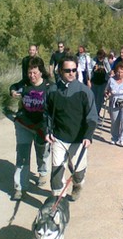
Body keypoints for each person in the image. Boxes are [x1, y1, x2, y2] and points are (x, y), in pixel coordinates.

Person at [44, 55, 98, 201]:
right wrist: (47, 131)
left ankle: (77, 185)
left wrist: (88, 135)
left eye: (74, 70)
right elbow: (47, 114)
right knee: (56, 171)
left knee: (78, 172)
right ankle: (57, 200)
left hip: (78, 139)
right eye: (67, 70)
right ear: (60, 71)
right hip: (59, 138)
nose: (71, 73)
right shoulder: (52, 91)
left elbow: (92, 117)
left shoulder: (85, 92)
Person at [9, 57, 52, 200]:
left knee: (42, 152)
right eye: (29, 73)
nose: (32, 76)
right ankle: (19, 187)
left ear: (41, 72)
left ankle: (43, 172)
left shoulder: (49, 87)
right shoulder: (25, 84)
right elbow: (14, 87)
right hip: (24, 124)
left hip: (41, 127)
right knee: (22, 154)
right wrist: (13, 91)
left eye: (34, 73)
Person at [90, 49, 111, 116]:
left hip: (103, 83)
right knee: (93, 99)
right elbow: (89, 70)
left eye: (102, 57)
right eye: (99, 57)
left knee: (99, 100)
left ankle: (97, 113)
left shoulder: (105, 61)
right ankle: (93, 113)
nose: (100, 59)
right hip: (94, 82)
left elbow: (109, 71)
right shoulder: (94, 61)